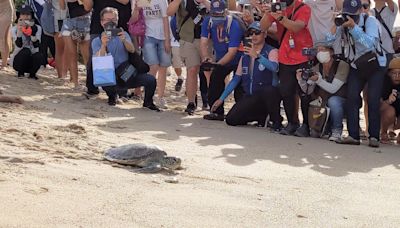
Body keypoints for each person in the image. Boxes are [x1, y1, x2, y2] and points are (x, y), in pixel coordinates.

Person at [328, 0, 386, 147]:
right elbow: (329, 41)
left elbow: (370, 44)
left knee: (373, 99)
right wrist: (335, 25)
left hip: (375, 65)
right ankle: (353, 135)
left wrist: (354, 28)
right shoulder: (344, 22)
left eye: (353, 14)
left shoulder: (370, 21)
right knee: (352, 97)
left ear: (360, 10)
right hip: (356, 65)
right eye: (347, 14)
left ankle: (374, 137)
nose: (350, 17)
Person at [211, 21, 282, 128]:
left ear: (265, 34)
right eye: (251, 33)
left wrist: (258, 57)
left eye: (257, 32)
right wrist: (221, 98)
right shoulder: (245, 56)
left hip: (266, 95)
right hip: (251, 96)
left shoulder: (271, 51)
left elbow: (274, 67)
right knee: (231, 119)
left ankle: (276, 121)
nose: (253, 36)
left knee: (270, 90)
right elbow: (236, 79)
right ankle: (260, 116)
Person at [260, 0, 313, 136]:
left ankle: (306, 125)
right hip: (285, 56)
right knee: (286, 92)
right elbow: (263, 26)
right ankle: (292, 123)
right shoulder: (277, 7)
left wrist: (280, 17)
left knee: (304, 92)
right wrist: (268, 14)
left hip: (303, 56)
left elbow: (297, 27)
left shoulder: (303, 7)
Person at [92, 7, 160, 111]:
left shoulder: (124, 35)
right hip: (110, 77)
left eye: (113, 20)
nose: (110, 23)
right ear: (102, 22)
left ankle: (148, 103)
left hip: (127, 74)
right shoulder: (97, 41)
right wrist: (103, 45)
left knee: (150, 79)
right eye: (107, 20)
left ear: (117, 20)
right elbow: (98, 58)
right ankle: (112, 96)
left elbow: (132, 50)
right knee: (108, 75)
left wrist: (124, 40)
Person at [295, 41, 350, 141]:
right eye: (318, 50)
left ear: (331, 52)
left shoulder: (342, 65)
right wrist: (301, 80)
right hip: (324, 102)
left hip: (344, 100)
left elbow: (334, 89)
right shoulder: (316, 67)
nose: (320, 52)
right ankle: (315, 127)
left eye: (323, 49)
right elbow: (308, 91)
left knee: (333, 101)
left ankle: (336, 130)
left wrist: (319, 80)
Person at [200, 0, 244, 121]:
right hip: (221, 57)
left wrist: (216, 65)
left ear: (225, 12)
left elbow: (232, 52)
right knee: (214, 81)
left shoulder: (234, 24)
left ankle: (241, 114)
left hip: (239, 58)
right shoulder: (207, 21)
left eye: (219, 15)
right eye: (214, 15)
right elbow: (203, 42)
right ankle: (216, 112)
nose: (216, 18)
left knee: (240, 87)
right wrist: (206, 58)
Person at [167, 0, 210, 115]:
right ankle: (191, 103)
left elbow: (219, 13)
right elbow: (169, 12)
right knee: (191, 70)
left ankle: (213, 102)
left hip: (207, 40)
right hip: (188, 39)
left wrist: (205, 2)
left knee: (209, 71)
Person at [84, 0, 131, 98]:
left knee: (125, 58)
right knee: (95, 58)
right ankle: (92, 89)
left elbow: (125, 1)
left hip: (119, 24)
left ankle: (122, 91)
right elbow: (87, 7)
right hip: (98, 25)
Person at [132, 0, 171, 109]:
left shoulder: (161, 1)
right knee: (152, 66)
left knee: (163, 67)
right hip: (148, 35)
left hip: (163, 36)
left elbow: (165, 19)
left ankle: (160, 97)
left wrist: (167, 40)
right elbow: (133, 20)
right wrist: (136, 9)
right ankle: (149, 97)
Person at [60, 0, 92, 88]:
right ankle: (76, 83)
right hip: (69, 22)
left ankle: (90, 83)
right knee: (72, 55)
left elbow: (88, 7)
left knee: (87, 57)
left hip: (85, 21)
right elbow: (62, 8)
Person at [10, 5, 43, 80]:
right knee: (26, 51)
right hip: (18, 61)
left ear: (32, 16)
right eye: (23, 14)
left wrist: (32, 32)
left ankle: (32, 74)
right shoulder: (14, 29)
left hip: (31, 60)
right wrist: (19, 31)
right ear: (19, 16)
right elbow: (18, 45)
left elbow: (37, 45)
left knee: (39, 55)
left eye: (28, 14)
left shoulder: (38, 28)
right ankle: (20, 73)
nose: (25, 17)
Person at [380, 57, 400, 144]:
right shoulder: (383, 83)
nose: (397, 76)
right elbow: (377, 108)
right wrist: (389, 101)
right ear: (389, 73)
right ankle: (383, 132)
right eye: (394, 73)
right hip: (386, 114)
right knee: (390, 111)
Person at [52, 0, 68, 78]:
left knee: (61, 49)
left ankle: (62, 75)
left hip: (60, 16)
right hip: (61, 17)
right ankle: (62, 75)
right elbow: (62, 6)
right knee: (61, 49)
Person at [0, 0, 15, 69]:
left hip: (6, 10)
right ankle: (4, 62)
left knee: (2, 37)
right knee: (4, 37)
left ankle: (4, 64)